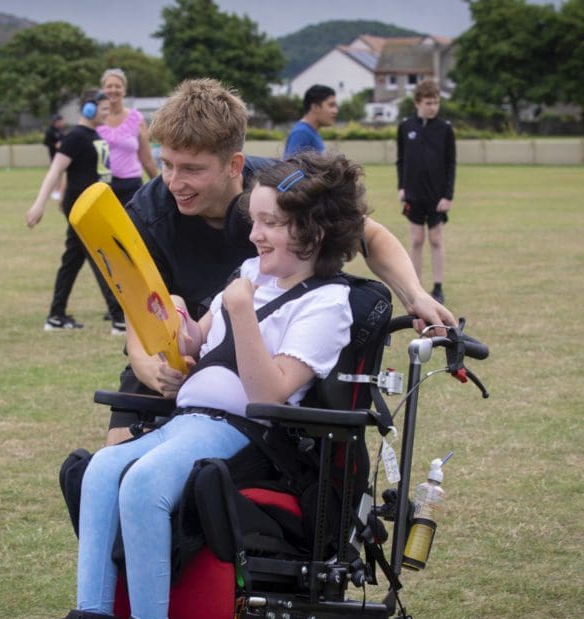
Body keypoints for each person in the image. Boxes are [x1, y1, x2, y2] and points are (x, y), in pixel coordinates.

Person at [19, 151, 367, 619]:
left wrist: (244, 311)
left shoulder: (326, 304)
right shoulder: (250, 273)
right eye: (256, 221)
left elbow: (268, 391)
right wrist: (179, 320)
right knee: (100, 471)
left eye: (272, 223)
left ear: (315, 233)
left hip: (252, 440)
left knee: (146, 483)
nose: (255, 236)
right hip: (190, 423)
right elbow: (197, 339)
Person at [106, 78, 455, 446]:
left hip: (268, 351)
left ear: (234, 164)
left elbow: (370, 235)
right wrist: (157, 372)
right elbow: (138, 319)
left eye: (192, 169)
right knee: (115, 457)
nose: (174, 182)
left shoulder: (278, 189)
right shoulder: (145, 215)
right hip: (182, 349)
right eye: (167, 164)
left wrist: (414, 294)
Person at [26, 90, 126, 333]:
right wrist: (40, 203)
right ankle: (119, 318)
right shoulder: (76, 137)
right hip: (82, 207)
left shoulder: (93, 135)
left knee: (72, 261)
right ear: (88, 109)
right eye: (103, 108)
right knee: (101, 258)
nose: (107, 112)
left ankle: (56, 316)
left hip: (95, 205)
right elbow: (55, 170)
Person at [396, 80, 456, 304]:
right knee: (416, 240)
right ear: (417, 103)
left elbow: (451, 164)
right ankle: (416, 286)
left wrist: (447, 196)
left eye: (436, 102)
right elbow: (401, 160)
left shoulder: (445, 129)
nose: (433, 107)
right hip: (413, 194)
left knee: (436, 239)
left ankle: (438, 287)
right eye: (428, 103)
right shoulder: (406, 127)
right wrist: (401, 187)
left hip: (436, 196)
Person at [96, 68, 159, 208]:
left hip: (131, 186)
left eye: (118, 86)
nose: (113, 90)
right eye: (109, 86)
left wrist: (161, 187)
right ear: (103, 90)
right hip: (102, 186)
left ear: (124, 90)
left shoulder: (136, 119)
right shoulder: (95, 121)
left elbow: (147, 159)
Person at [283, 84, 337, 158]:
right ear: (315, 107)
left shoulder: (311, 132)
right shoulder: (301, 133)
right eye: (331, 105)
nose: (335, 111)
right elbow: (290, 168)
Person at [44, 114, 67, 202]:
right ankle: (54, 191)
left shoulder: (61, 130)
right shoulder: (50, 131)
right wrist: (54, 145)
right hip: (54, 155)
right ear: (57, 121)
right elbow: (46, 142)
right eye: (61, 121)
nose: (63, 123)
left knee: (61, 174)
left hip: (62, 155)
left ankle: (58, 190)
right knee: (55, 173)